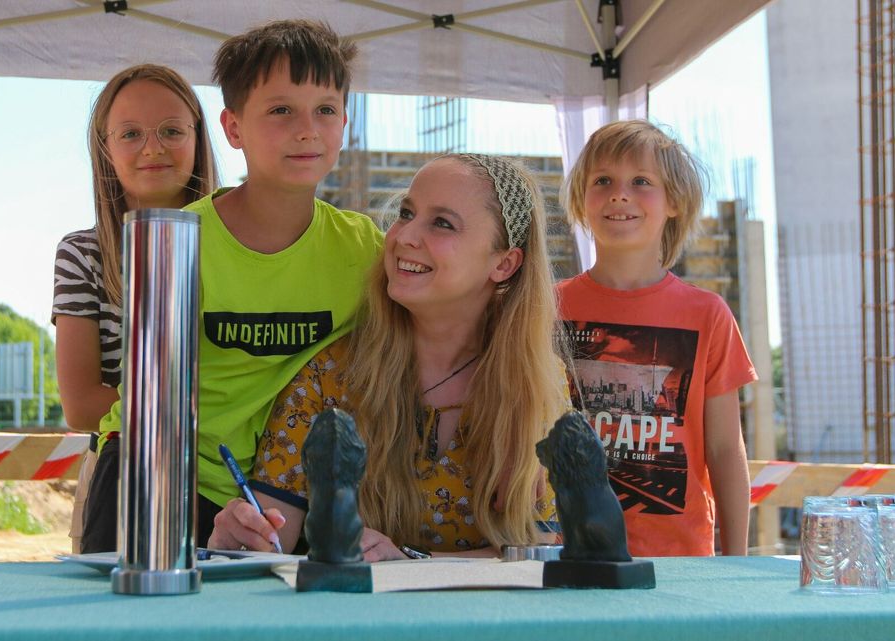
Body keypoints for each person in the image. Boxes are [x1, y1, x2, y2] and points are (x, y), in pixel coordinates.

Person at [83, 20, 384, 553]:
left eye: (326, 109)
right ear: (233, 127)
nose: (307, 129)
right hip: (152, 472)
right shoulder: (177, 242)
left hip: (281, 498)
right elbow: (152, 398)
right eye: (280, 110)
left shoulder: (363, 249)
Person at [208, 154, 569, 561]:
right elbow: (273, 534)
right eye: (406, 213)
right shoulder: (332, 375)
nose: (403, 236)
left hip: (491, 624)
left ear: (504, 263)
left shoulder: (534, 383)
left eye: (442, 223)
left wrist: (411, 565)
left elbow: (539, 553)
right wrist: (239, 537)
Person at [556, 119, 756, 556]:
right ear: (581, 199)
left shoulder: (708, 314)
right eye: (602, 180)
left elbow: (725, 450)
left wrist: (736, 560)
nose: (619, 193)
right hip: (562, 555)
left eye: (641, 181)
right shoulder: (544, 310)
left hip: (678, 561)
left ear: (674, 203)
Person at [51, 64, 218, 552]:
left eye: (171, 130)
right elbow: (81, 405)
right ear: (104, 147)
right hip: (125, 481)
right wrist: (216, 406)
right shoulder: (83, 254)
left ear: (198, 138)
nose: (153, 147)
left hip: (236, 488)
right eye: (130, 133)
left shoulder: (241, 245)